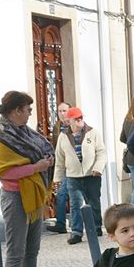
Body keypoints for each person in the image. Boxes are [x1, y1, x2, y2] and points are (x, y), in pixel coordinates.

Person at [0, 91, 60, 267]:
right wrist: (37, 167)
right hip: (16, 197)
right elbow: (3, 171)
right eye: (28, 109)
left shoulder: (23, 132)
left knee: (32, 249)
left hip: (34, 194)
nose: (30, 114)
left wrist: (45, 162)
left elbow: (41, 148)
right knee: (16, 251)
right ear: (16, 110)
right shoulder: (0, 135)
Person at [54, 106, 107, 244]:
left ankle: (96, 227)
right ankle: (76, 232)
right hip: (73, 176)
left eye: (81, 117)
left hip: (92, 174)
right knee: (75, 204)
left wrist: (98, 168)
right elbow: (59, 158)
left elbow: (101, 152)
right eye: (77, 119)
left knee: (93, 202)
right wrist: (57, 178)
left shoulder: (93, 133)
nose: (80, 120)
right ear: (70, 121)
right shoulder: (63, 136)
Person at [46, 101, 79, 236]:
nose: (62, 114)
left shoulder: (76, 125)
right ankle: (61, 223)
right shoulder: (57, 127)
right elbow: (56, 147)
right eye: (59, 111)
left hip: (75, 166)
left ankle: (81, 224)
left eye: (64, 111)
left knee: (74, 196)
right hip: (63, 166)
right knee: (61, 194)